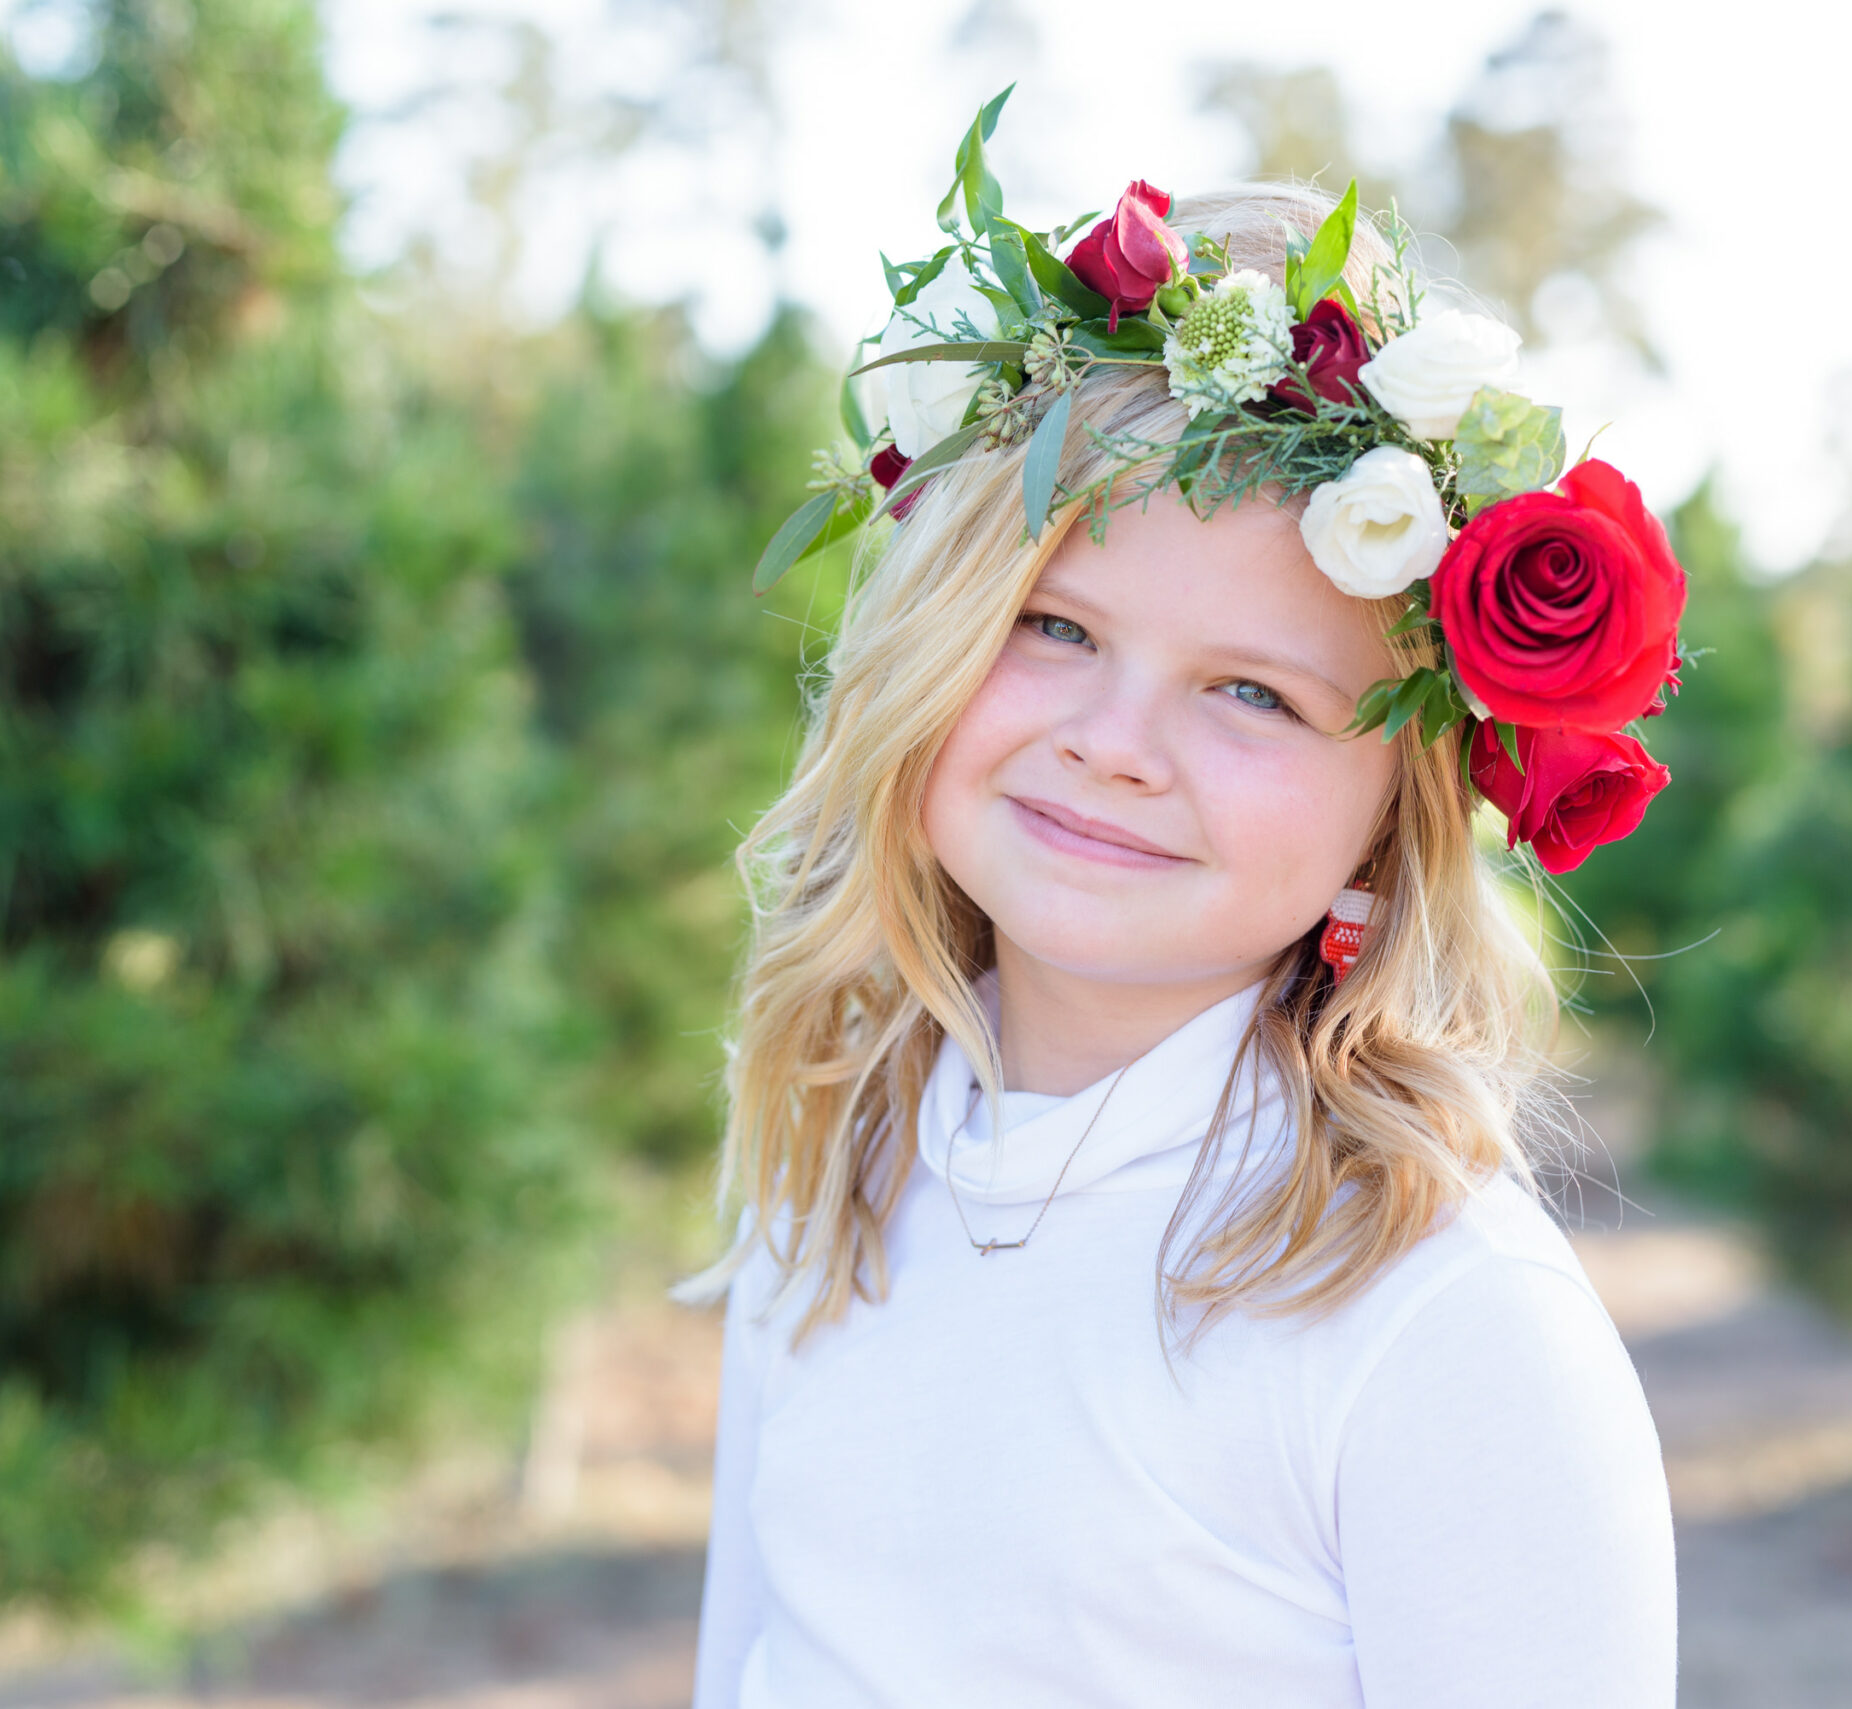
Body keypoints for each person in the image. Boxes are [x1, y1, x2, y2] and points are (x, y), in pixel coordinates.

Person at [687, 99, 1681, 1708]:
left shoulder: (1439, 1326)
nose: (1113, 746)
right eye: (1058, 628)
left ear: (1392, 816)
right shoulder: (841, 1167)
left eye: (1253, 694)